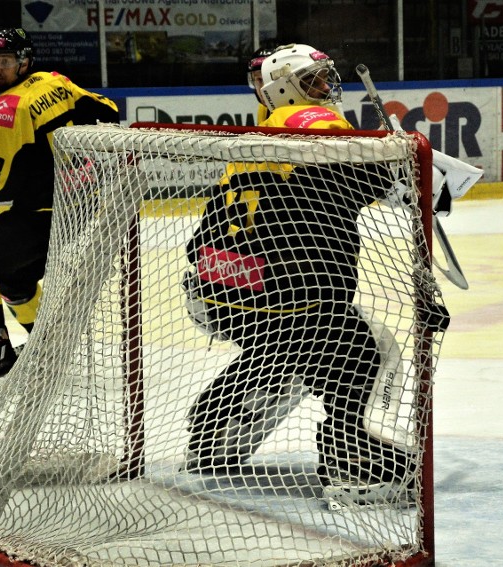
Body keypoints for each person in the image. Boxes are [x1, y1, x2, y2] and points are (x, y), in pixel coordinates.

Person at [181, 44, 412, 503]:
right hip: (287, 292)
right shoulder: (311, 122)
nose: (326, 89)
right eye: (313, 81)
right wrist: (407, 172)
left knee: (285, 347)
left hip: (217, 291)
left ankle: (213, 431)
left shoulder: (262, 132)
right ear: (285, 89)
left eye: (325, 78)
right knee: (368, 350)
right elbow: (359, 182)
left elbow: (319, 193)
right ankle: (355, 466)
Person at [0, 28, 119, 396]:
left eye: (4, 62)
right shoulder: (55, 81)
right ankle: (49, 349)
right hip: (80, 206)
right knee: (13, 279)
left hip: (42, 213)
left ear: (23, 62)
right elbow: (107, 109)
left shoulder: (5, 109)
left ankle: (1, 356)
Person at [246, 46, 274, 123]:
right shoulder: (263, 109)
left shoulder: (298, 110)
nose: (263, 88)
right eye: (259, 79)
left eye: (268, 78)